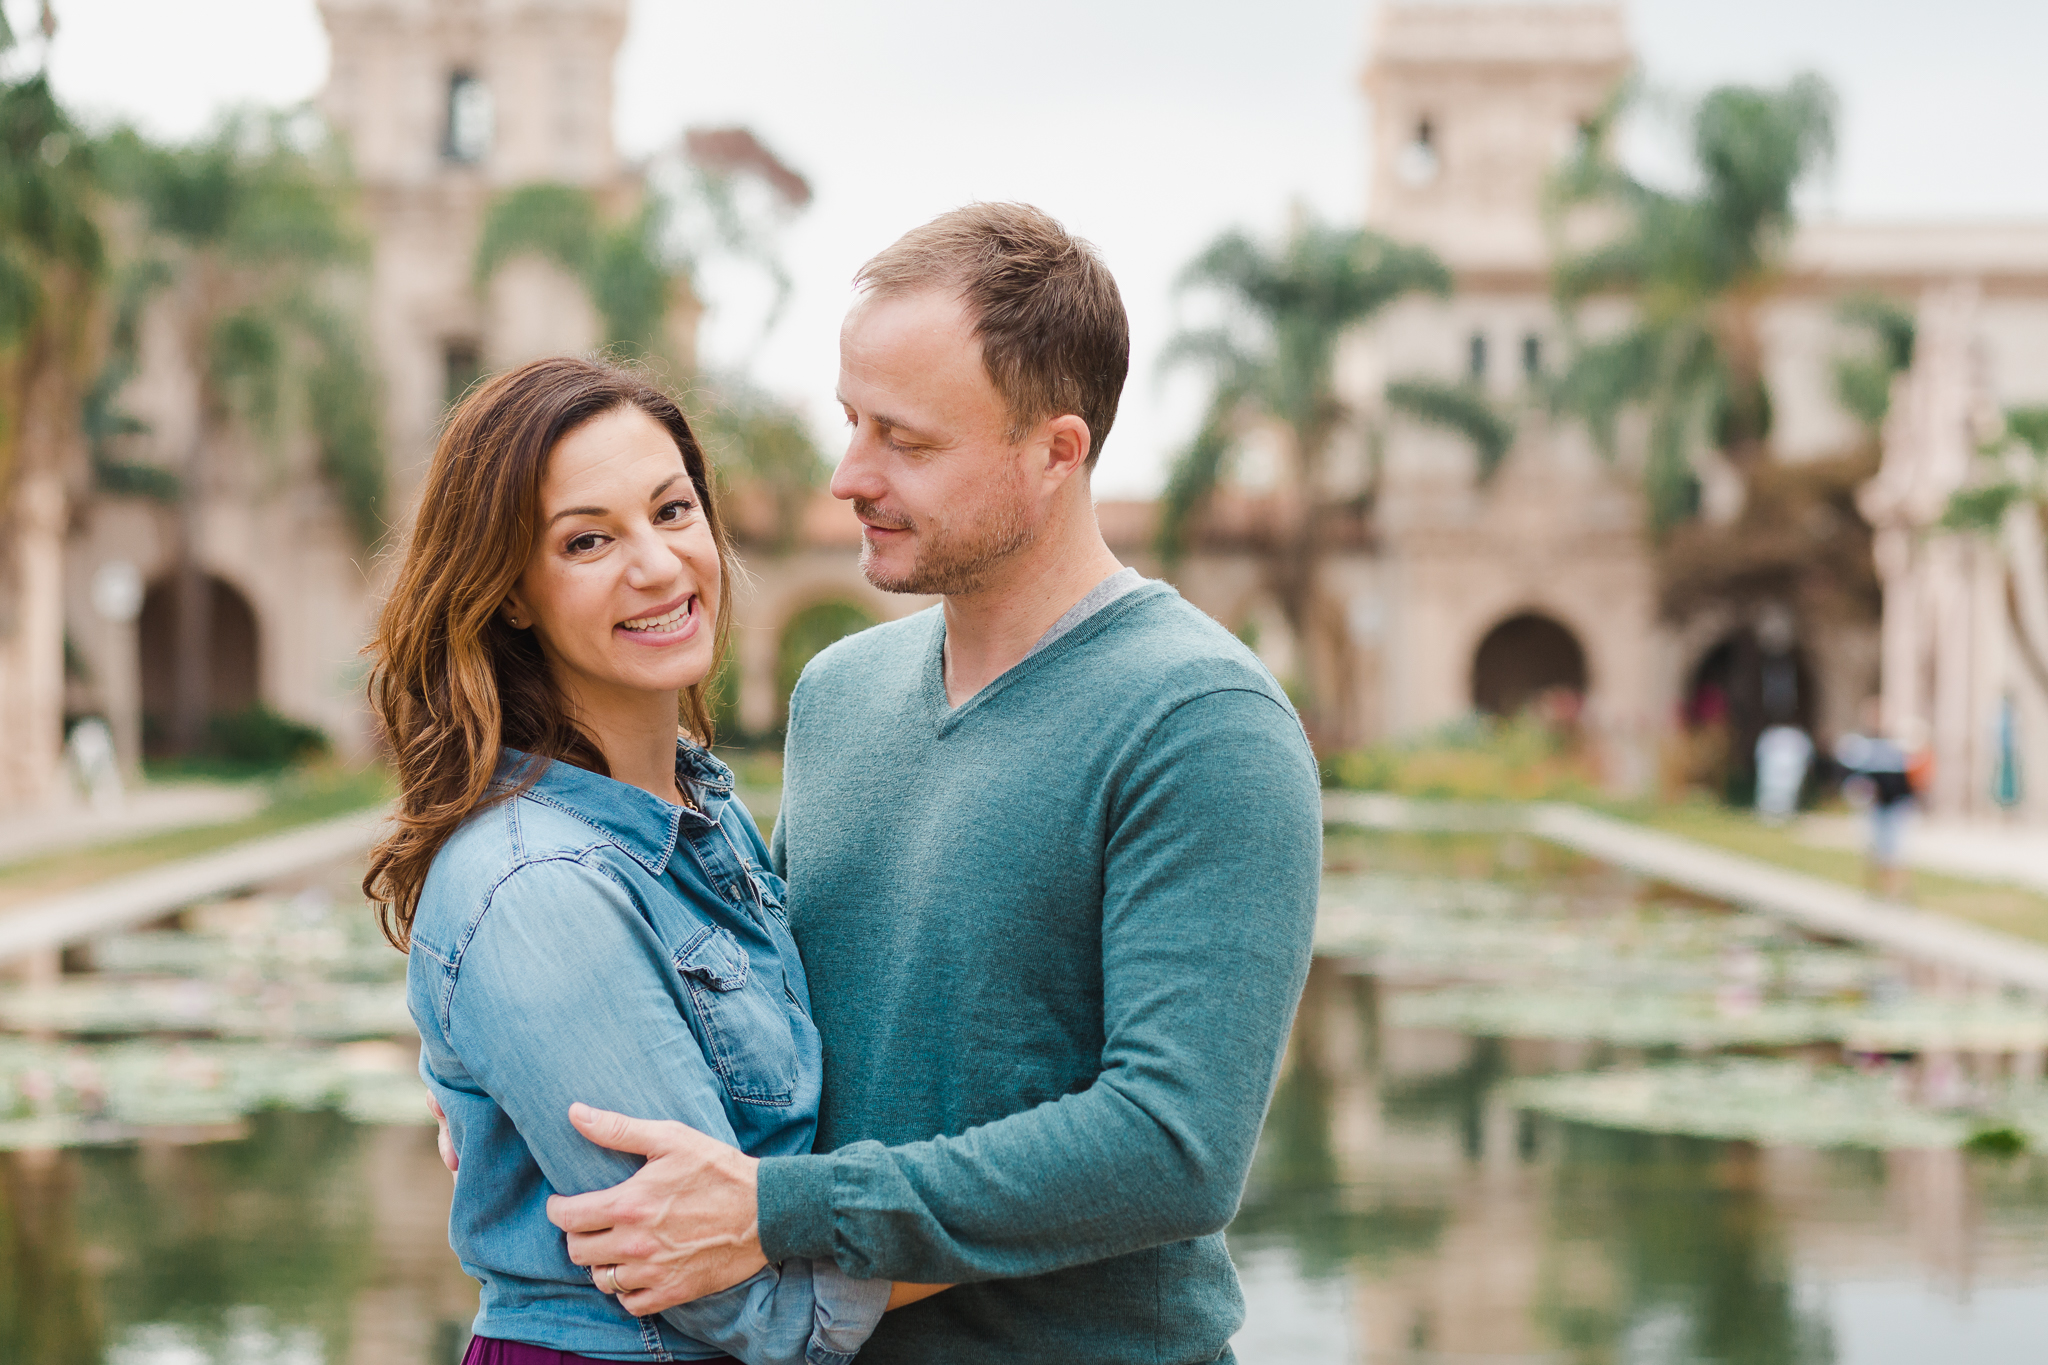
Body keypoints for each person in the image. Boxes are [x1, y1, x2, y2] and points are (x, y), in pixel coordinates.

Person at [533, 204, 1325, 1361]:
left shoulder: (1201, 723)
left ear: (1055, 452)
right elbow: (755, 1001)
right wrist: (531, 1076)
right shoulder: (840, 690)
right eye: (851, 422)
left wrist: (777, 1210)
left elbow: (1170, 1148)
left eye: (904, 441)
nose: (849, 475)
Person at [366, 357, 941, 1365]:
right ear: (508, 592)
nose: (660, 566)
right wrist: (1046, 1214)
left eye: (672, 511)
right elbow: (765, 1310)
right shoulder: (537, 886)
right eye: (587, 540)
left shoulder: (696, 812)